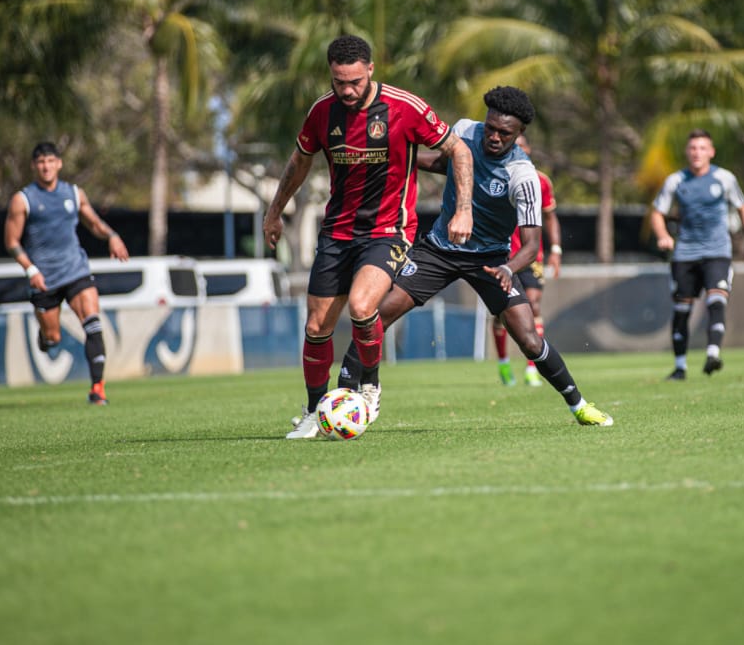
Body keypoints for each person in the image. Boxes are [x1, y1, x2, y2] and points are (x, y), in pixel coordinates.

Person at [337, 86, 613, 427]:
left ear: (520, 134)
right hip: (439, 249)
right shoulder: (466, 129)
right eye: (491, 127)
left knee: (529, 339)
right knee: (376, 313)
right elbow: (442, 161)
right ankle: (350, 391)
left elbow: (529, 245)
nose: (494, 137)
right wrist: (398, 157)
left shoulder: (523, 176)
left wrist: (508, 269)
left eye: (504, 133)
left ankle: (578, 404)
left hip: (492, 260)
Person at [262, 35, 474, 439]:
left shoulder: (404, 107)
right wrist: (274, 212)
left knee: (361, 306)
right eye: (339, 81)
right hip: (337, 232)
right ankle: (313, 411)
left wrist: (463, 209)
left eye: (355, 81)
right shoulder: (322, 111)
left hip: (388, 230)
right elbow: (300, 161)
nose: (347, 90)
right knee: (316, 327)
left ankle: (369, 387)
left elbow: (459, 151)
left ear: (371, 70)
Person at [4, 141, 130, 404]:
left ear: (59, 163)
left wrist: (112, 236)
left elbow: (93, 223)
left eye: (50, 161)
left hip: (76, 270)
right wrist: (31, 271)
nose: (46, 166)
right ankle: (46, 336)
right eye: (41, 162)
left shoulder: (73, 193)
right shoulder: (23, 199)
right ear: (34, 166)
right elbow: (12, 241)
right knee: (53, 339)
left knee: (93, 324)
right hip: (44, 277)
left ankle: (98, 389)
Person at [649, 129, 744, 381]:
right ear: (688, 152)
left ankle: (712, 354)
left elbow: (743, 209)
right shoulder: (676, 181)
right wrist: (663, 234)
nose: (697, 153)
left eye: (702, 148)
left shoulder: (724, 178)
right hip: (685, 253)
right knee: (681, 310)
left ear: (711, 152)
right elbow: (657, 212)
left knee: (717, 300)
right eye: (693, 148)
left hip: (717, 251)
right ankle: (680, 367)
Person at [492, 133, 561, 387]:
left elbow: (550, 217)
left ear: (528, 149)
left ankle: (533, 367)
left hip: (530, 255)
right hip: (501, 253)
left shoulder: (540, 181)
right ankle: (503, 364)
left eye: (521, 144)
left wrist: (556, 249)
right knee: (501, 313)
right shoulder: (495, 174)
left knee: (532, 305)